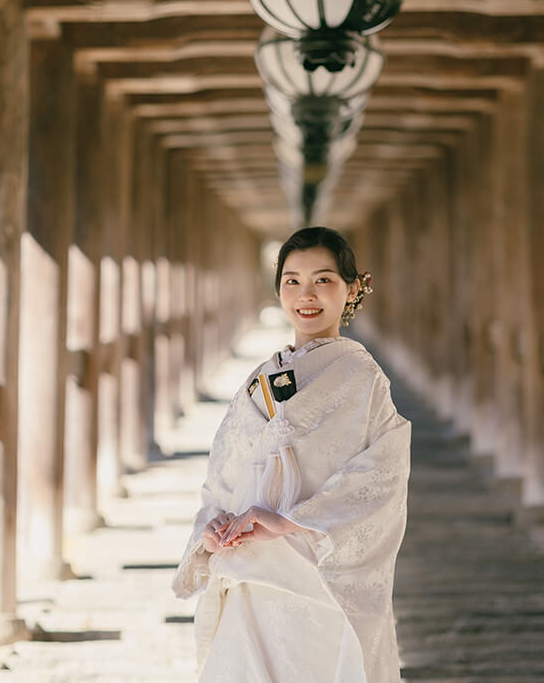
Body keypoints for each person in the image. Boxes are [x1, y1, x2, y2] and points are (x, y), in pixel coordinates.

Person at [172, 226, 412, 683]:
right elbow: (222, 477)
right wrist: (214, 527)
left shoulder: (364, 379)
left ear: (353, 288)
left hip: (316, 575)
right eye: (292, 281)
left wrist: (289, 522)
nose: (306, 295)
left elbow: (382, 478)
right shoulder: (260, 379)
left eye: (323, 280)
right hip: (249, 572)